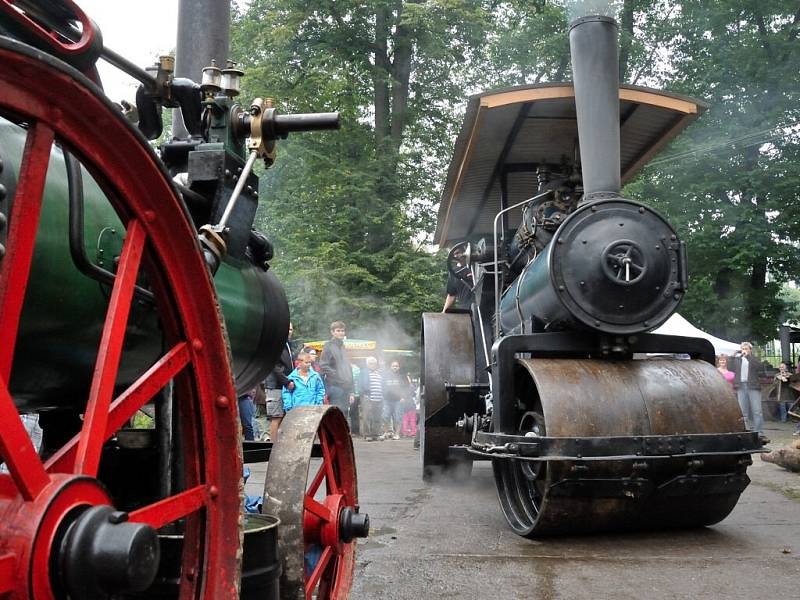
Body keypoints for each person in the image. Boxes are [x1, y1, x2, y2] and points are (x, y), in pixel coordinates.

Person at [319, 320, 355, 427]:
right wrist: (337, 375)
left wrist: (352, 390)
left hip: (346, 386)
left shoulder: (342, 346)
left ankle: (341, 441)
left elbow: (348, 368)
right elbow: (323, 365)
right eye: (338, 331)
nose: (341, 333)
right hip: (335, 386)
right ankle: (334, 441)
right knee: (336, 414)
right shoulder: (328, 346)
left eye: (342, 331)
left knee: (344, 414)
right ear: (332, 332)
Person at [264, 322, 295, 442]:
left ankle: (281, 445)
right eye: (287, 329)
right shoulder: (275, 345)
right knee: (276, 417)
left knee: (285, 416)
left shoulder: (288, 345)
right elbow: (275, 366)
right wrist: (287, 382)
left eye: (291, 329)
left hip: (285, 385)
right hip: (275, 386)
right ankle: (272, 448)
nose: (289, 331)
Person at [732, 341, 766, 438]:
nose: (744, 351)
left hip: (753, 386)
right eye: (743, 349)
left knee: (757, 411)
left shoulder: (754, 359)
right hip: (741, 386)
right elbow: (730, 368)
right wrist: (732, 357)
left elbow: (760, 367)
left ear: (750, 350)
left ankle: (758, 432)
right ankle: (745, 431)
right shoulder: (738, 359)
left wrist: (748, 357)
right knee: (743, 411)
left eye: (746, 349)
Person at [382, 360, 411, 440]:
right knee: (385, 416)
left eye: (396, 366)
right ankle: (386, 433)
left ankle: (397, 434)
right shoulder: (386, 375)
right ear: (391, 367)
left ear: (399, 367)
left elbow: (407, 388)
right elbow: (383, 386)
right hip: (387, 400)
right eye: (393, 366)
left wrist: (404, 397)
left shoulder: (402, 376)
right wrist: (384, 395)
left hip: (399, 400)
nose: (395, 367)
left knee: (398, 417)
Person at [358, 357, 385, 441]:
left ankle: (375, 434)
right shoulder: (363, 372)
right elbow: (360, 384)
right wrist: (363, 394)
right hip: (368, 398)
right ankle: (367, 434)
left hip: (379, 398)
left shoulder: (379, 373)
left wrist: (383, 394)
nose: (373, 365)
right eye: (371, 363)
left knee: (377, 417)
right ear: (367, 364)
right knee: (367, 417)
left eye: (374, 363)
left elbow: (383, 385)